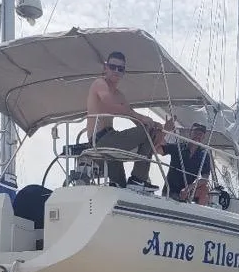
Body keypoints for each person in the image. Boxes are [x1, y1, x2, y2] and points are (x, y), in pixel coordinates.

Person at [86, 51, 163, 188]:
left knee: (120, 186)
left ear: (123, 72)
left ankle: (134, 184)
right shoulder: (100, 83)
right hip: (100, 139)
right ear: (106, 68)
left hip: (112, 140)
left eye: (120, 68)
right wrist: (142, 119)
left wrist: (156, 125)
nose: (116, 71)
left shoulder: (120, 95)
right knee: (147, 131)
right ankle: (138, 179)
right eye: (112, 67)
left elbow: (132, 116)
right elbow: (109, 105)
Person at [161, 122, 211, 205]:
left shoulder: (204, 155)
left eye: (200, 134)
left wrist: (190, 187)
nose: (197, 136)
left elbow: (205, 178)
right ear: (190, 133)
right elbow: (159, 150)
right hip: (170, 191)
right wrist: (165, 130)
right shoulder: (178, 147)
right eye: (195, 132)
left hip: (186, 193)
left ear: (203, 137)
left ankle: (197, 214)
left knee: (204, 189)